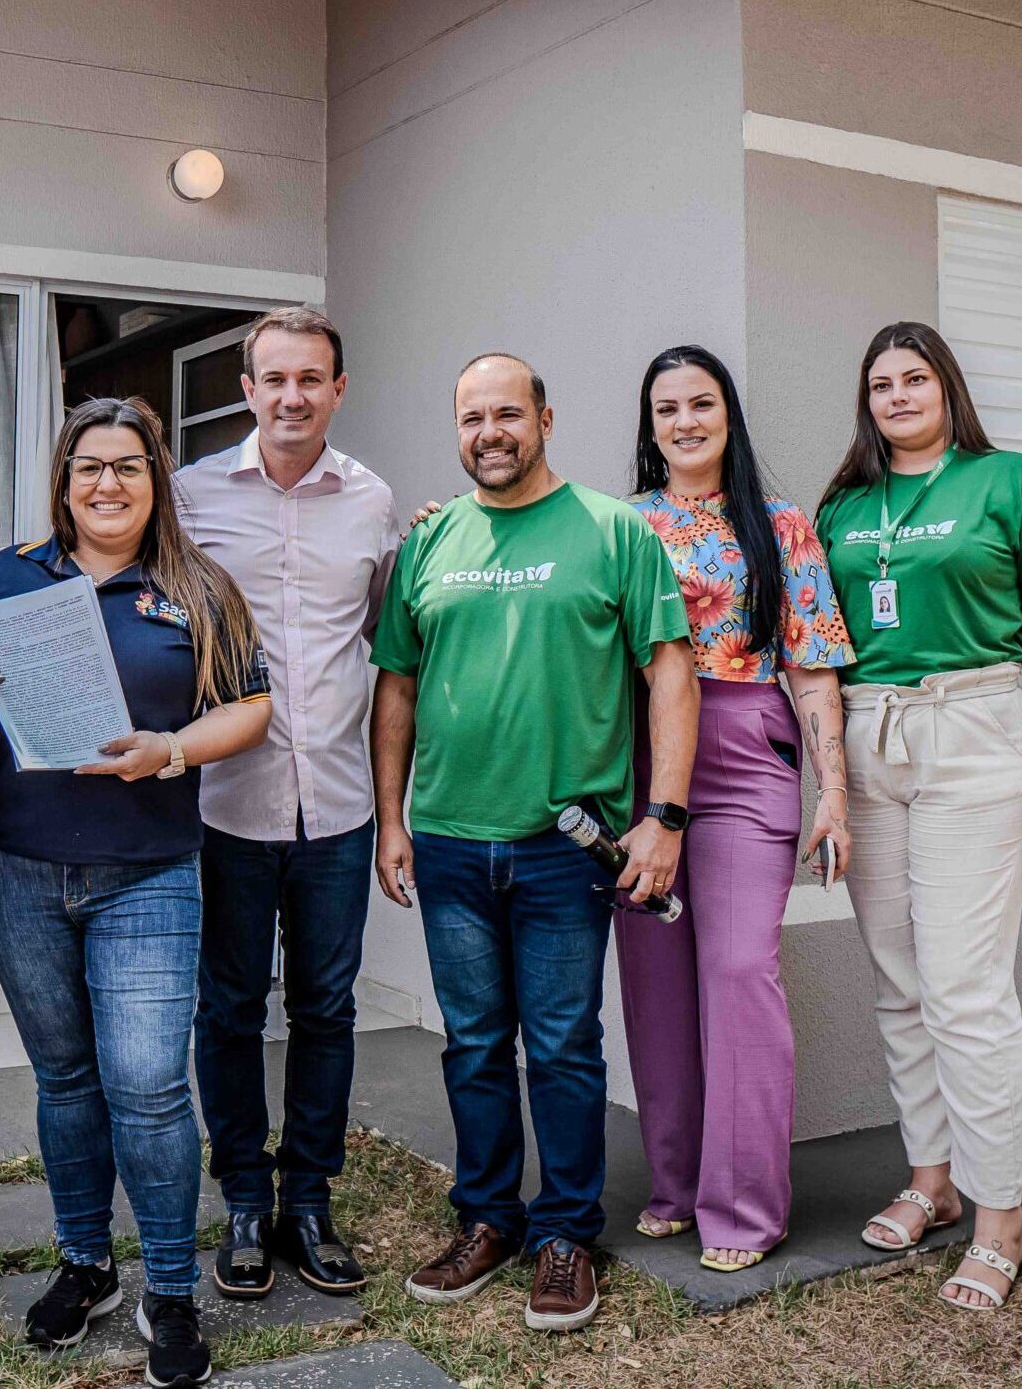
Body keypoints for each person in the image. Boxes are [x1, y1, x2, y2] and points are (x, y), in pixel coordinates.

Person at [370, 354, 697, 1333]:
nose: (489, 433)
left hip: (568, 844)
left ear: (545, 418)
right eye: (472, 417)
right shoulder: (430, 543)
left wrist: (666, 815)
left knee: (560, 1046)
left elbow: (670, 672)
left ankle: (564, 1234)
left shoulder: (612, 531)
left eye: (507, 413)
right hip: (452, 837)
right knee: (472, 1044)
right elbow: (396, 685)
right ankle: (488, 1221)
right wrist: (391, 818)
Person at [0, 396, 271, 1389]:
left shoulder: (195, 586)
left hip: (149, 874)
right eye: (88, 467)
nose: (107, 484)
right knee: (65, 1078)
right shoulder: (8, 576)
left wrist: (174, 748)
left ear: (155, 479)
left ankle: (170, 1293)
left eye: (127, 467)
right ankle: (85, 1263)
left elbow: (254, 707)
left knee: (148, 1084)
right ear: (64, 480)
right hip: (19, 867)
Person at [815, 321, 1022, 1313]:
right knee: (899, 981)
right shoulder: (845, 504)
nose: (896, 395)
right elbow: (815, 638)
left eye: (914, 378)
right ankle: (929, 1180)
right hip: (865, 734)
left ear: (946, 387)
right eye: (880, 382)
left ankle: (998, 1218)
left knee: (967, 988)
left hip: (973, 726)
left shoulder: (1005, 480)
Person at [175, 308, 400, 1301]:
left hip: (339, 809)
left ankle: (307, 1199)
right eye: (274, 379)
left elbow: (391, 639)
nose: (292, 396)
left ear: (339, 389)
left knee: (325, 1010)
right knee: (226, 1011)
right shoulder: (187, 497)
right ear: (247, 388)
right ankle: (241, 1201)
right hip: (226, 803)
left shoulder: (373, 500)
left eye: (311, 379)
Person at [619, 345, 854, 1273]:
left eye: (701, 403)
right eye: (666, 407)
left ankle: (745, 1204)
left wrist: (832, 790)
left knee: (736, 970)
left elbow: (813, 666)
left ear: (727, 415)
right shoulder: (616, 524)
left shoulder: (781, 524)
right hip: (641, 761)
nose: (684, 421)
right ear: (649, 425)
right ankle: (674, 1185)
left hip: (749, 752)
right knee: (654, 980)